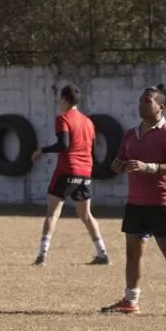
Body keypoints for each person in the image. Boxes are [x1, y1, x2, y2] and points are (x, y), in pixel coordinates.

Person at [101, 84, 166, 317]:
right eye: (140, 100)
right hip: (136, 202)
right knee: (133, 252)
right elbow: (119, 160)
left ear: (160, 107)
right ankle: (131, 301)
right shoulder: (131, 134)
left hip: (163, 201)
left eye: (147, 101)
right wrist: (118, 166)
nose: (141, 104)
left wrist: (149, 167)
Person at [31, 84, 109, 266]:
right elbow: (91, 147)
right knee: (86, 214)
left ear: (65, 100)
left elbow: (63, 145)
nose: (59, 102)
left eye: (60, 98)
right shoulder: (89, 122)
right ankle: (102, 253)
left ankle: (42, 255)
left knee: (52, 213)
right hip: (85, 172)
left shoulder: (63, 118)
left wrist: (42, 150)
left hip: (67, 170)